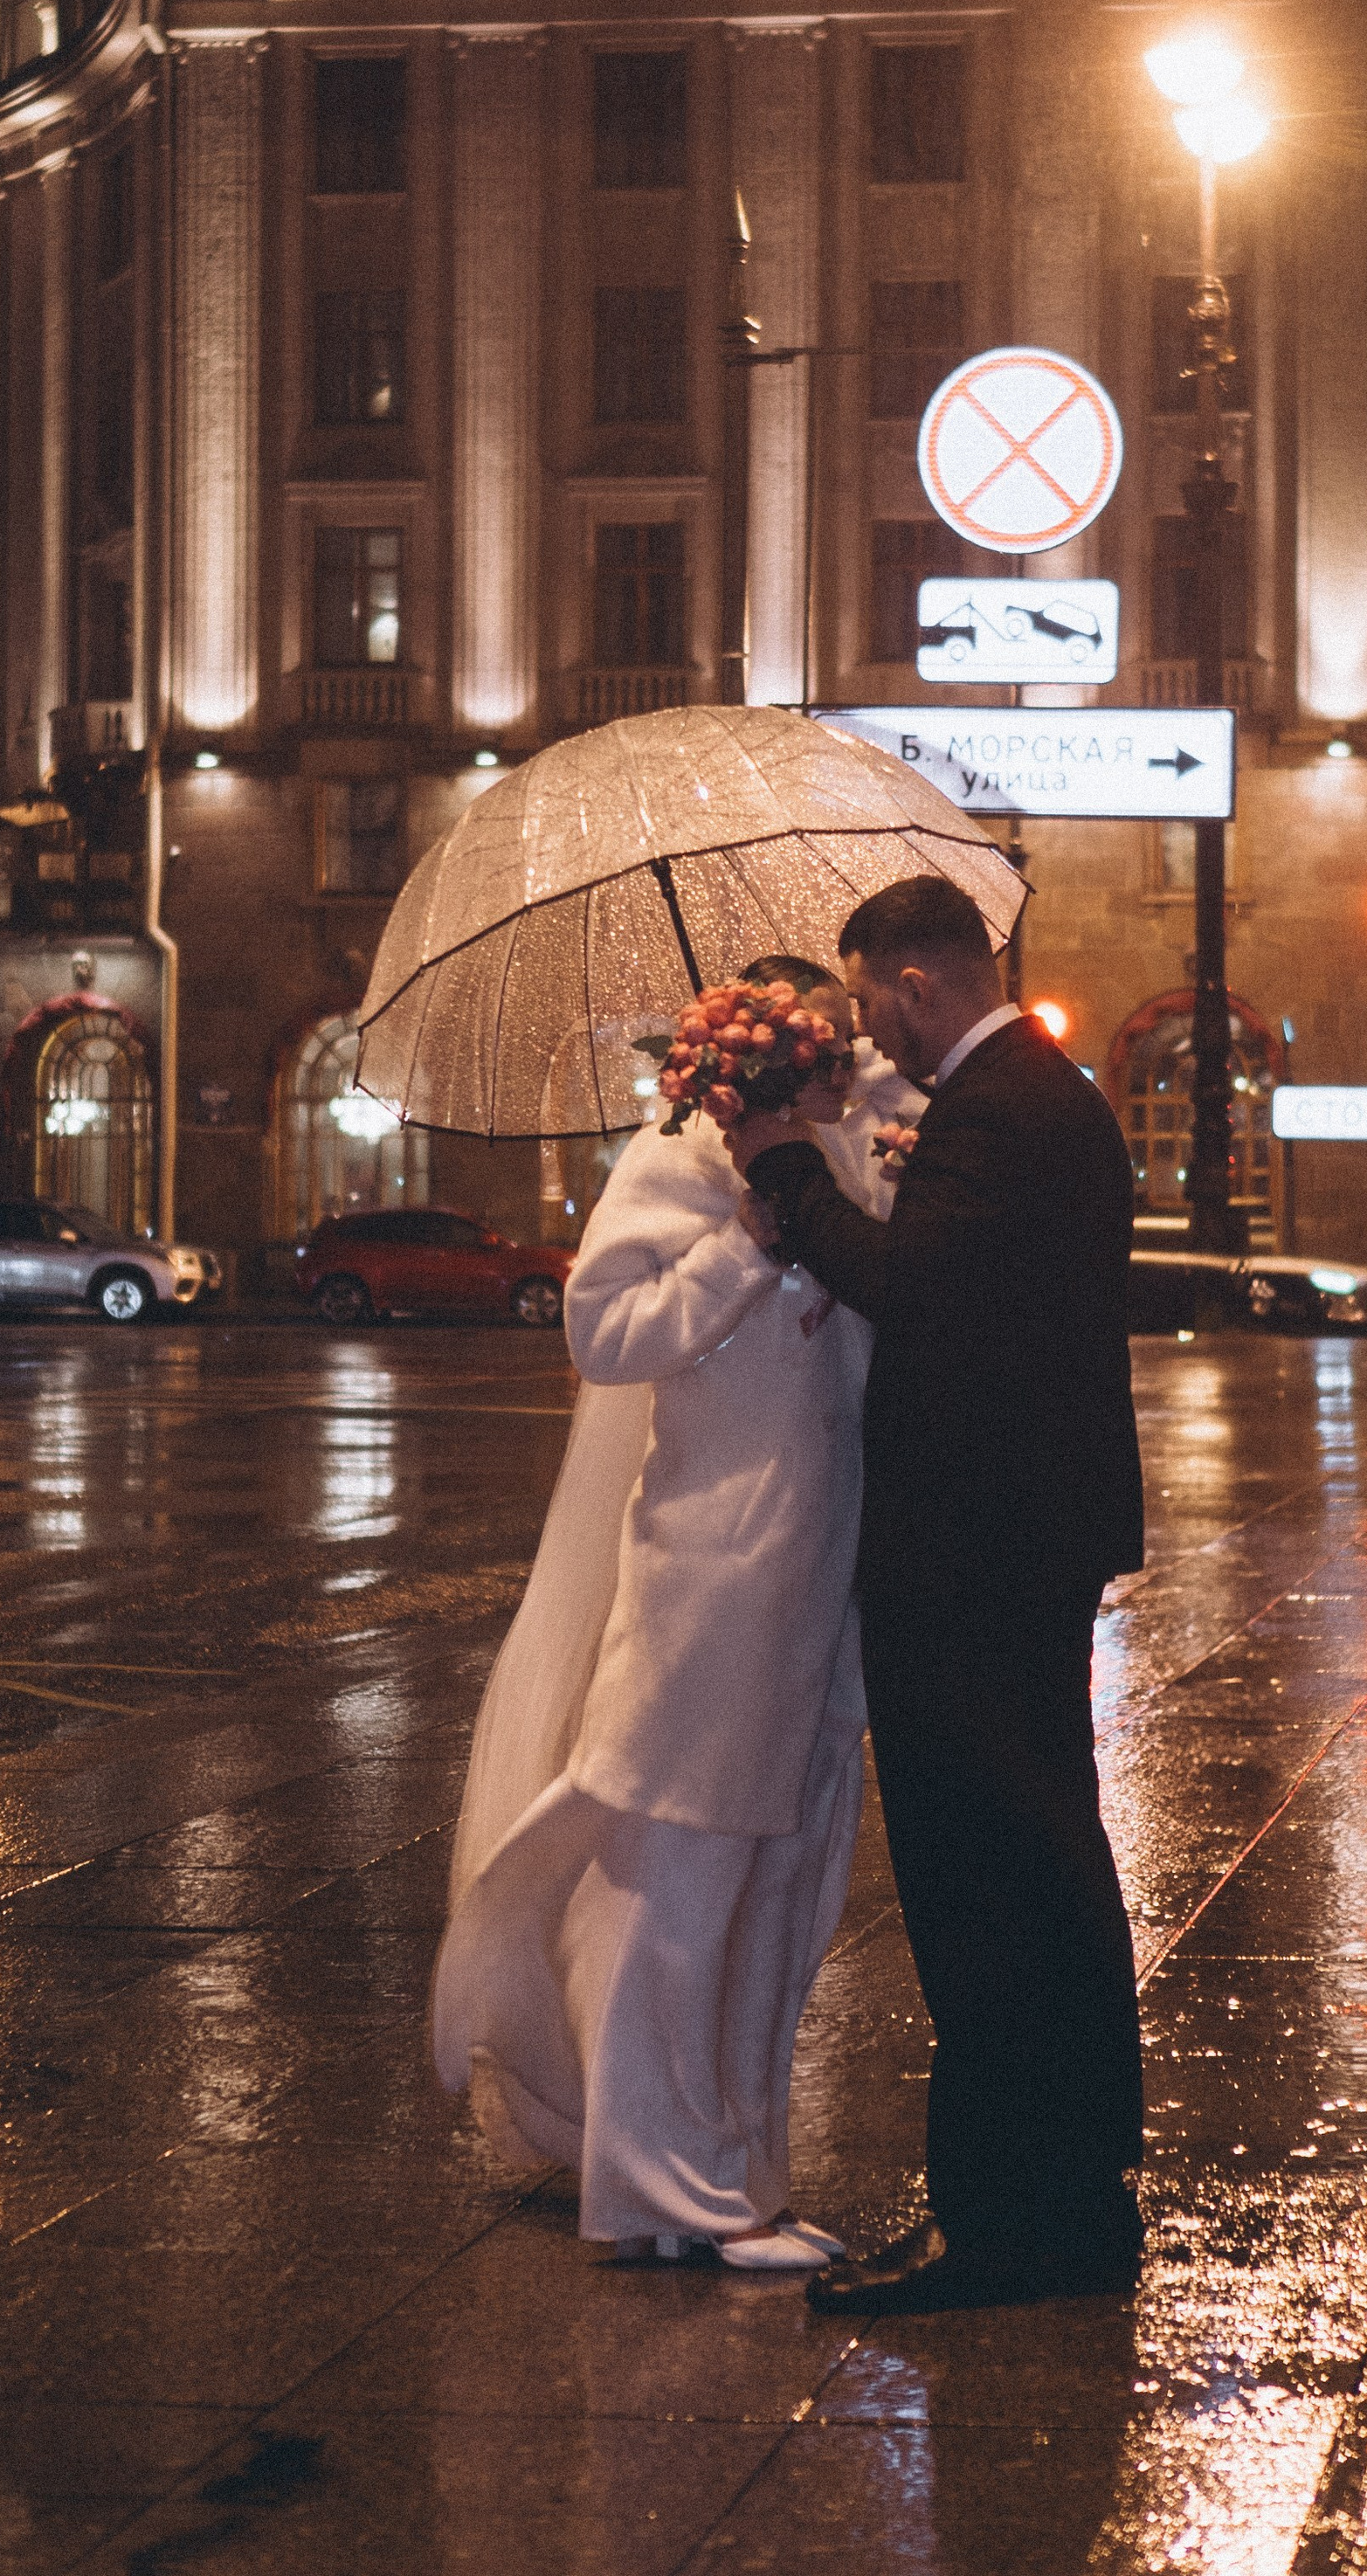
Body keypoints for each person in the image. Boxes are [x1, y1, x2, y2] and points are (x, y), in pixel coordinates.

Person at [431, 956, 917, 2270]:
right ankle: (651, 2185)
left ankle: (736, 2174)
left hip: (823, 1578)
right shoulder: (676, 1167)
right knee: (675, 1886)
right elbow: (609, 1335)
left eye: (828, 1052)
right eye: (803, 1052)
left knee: (781, 1886)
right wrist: (744, 1244)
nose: (823, 1070)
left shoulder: (854, 1157)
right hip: (710, 1571)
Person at [728, 874, 1145, 2316]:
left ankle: (1007, 2227)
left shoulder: (1008, 1103)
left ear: (912, 983)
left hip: (977, 1550)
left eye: (862, 998)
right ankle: (1071, 2203)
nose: (858, 1028)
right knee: (1042, 1865)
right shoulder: (1042, 1097)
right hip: (1021, 1539)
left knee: (984, 1887)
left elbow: (918, 1289)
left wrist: (785, 1170)